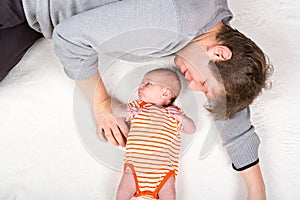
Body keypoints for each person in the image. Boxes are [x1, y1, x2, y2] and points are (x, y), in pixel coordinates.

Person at [1, 0, 267, 199]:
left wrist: (256, 190)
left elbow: (227, 96)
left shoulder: (213, 17)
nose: (193, 88)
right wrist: (102, 105)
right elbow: (69, 40)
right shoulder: (172, 24)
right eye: (203, 84)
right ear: (219, 53)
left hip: (40, 17)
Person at [116, 68, 196, 200]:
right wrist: (126, 111)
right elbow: (116, 112)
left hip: (163, 172)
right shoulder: (139, 106)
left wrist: (183, 119)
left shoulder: (175, 113)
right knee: (123, 192)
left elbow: (191, 129)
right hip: (136, 166)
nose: (140, 87)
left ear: (165, 93)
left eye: (147, 84)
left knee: (169, 194)